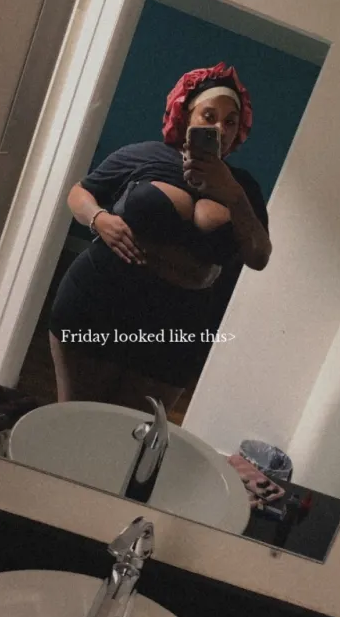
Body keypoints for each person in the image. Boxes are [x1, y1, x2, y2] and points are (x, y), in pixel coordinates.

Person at [49, 62, 272, 413]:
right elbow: (80, 192)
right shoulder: (144, 154)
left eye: (230, 121)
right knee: (76, 419)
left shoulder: (243, 187)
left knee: (132, 433)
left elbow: (259, 257)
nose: (220, 128)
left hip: (178, 328)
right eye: (209, 116)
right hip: (100, 300)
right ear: (186, 115)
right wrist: (99, 218)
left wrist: (233, 194)